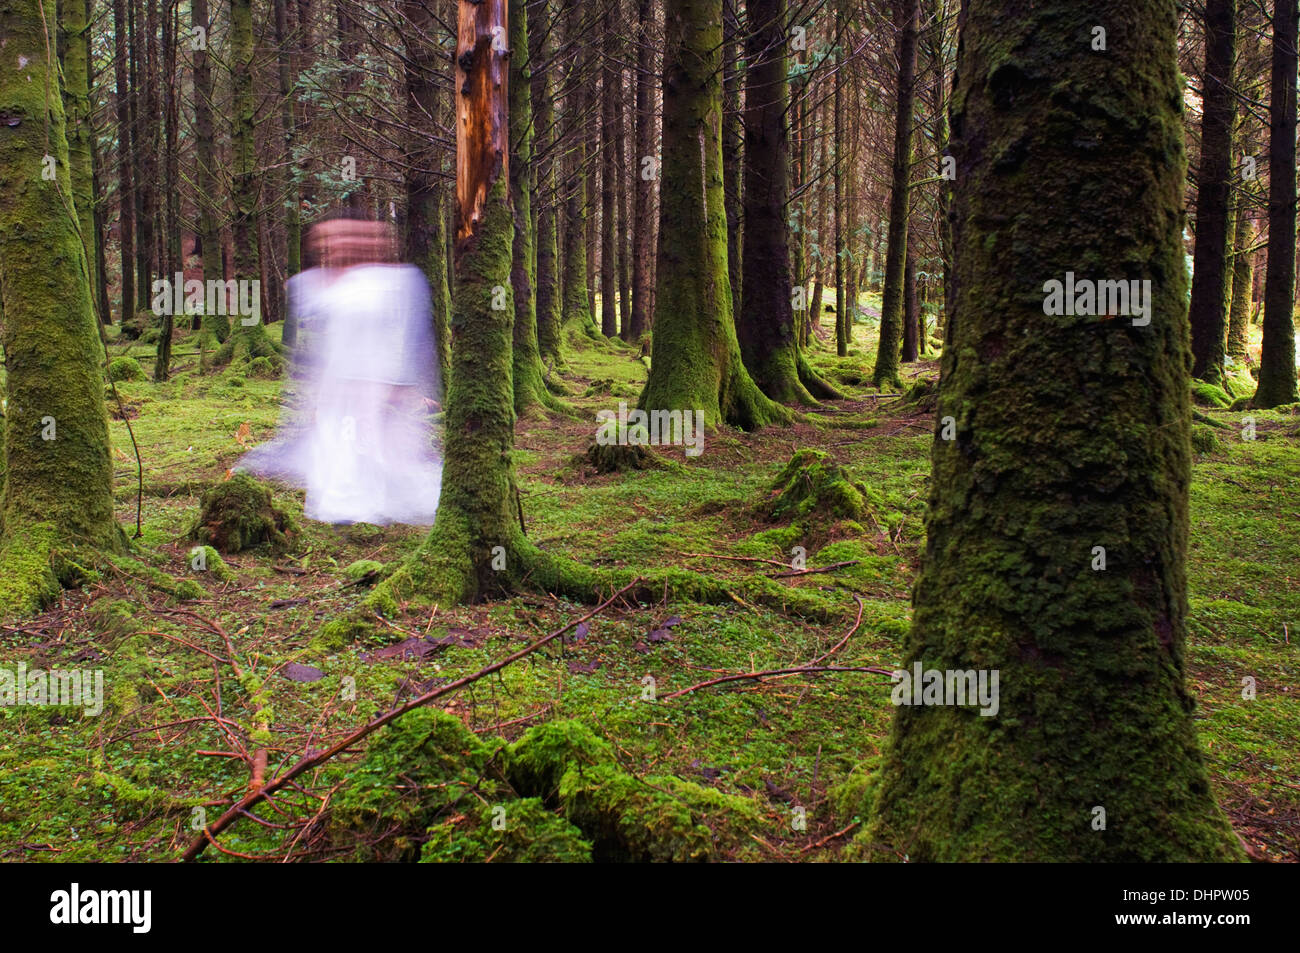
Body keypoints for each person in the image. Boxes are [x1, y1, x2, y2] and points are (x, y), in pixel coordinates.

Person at [237, 216, 443, 526]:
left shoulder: (391, 282)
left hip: (376, 376)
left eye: (342, 243)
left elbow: (406, 335)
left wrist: (402, 383)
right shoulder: (322, 284)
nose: (334, 250)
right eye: (327, 245)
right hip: (340, 378)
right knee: (339, 441)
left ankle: (378, 504)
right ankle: (349, 508)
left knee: (379, 445)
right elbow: (315, 322)